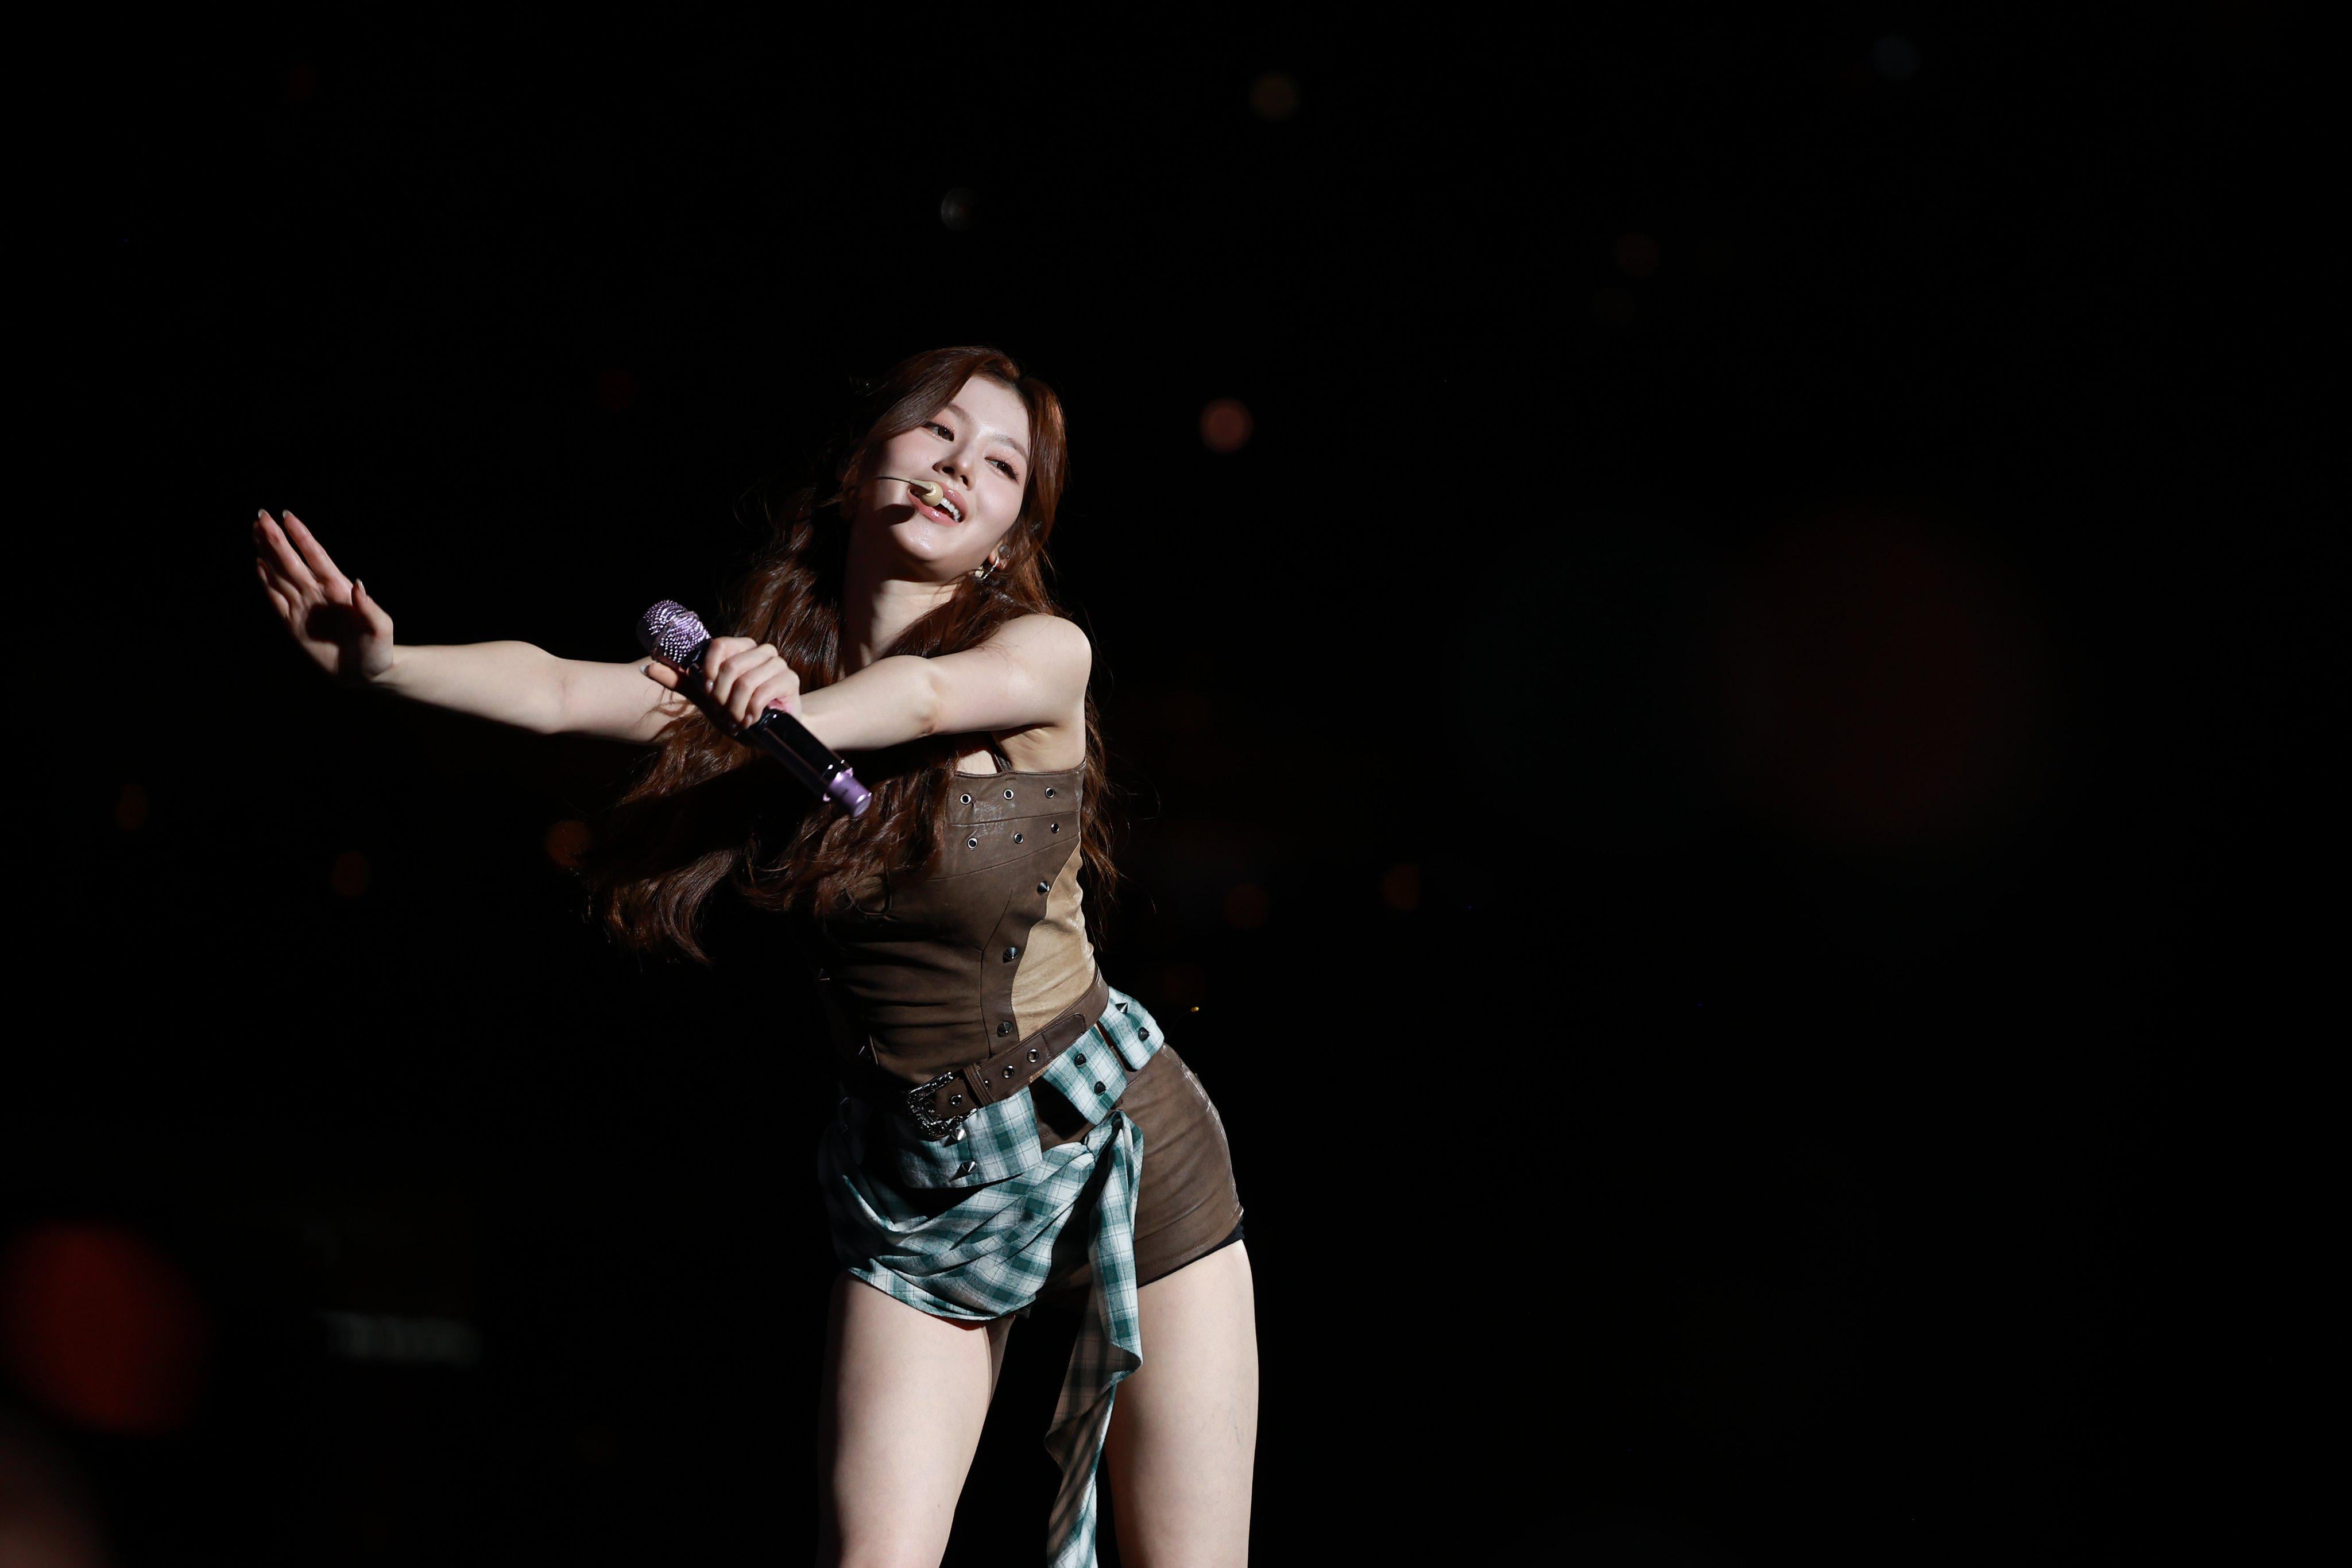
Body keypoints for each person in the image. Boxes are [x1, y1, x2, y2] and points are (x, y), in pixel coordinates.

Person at [250, 344, 1258, 1566]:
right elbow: (561, 692)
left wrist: (776, 720)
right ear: (861, 463)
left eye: (1001, 466)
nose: (958, 467)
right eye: (937, 432)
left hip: (1110, 1140)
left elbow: (923, 703)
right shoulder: (756, 690)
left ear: (1004, 541)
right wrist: (384, 663)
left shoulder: (1042, 654)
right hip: (915, 1188)